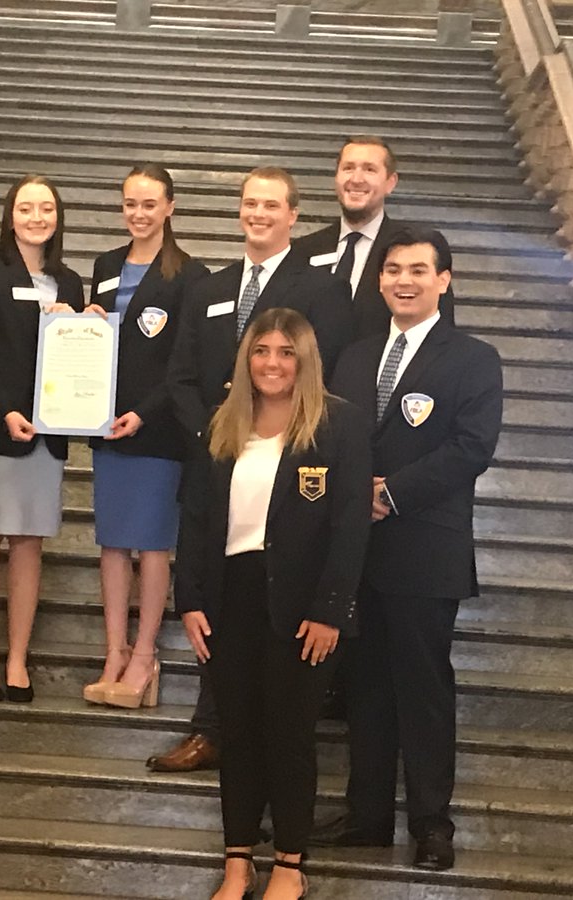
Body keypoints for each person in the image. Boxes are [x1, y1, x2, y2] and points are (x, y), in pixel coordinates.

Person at [151, 166, 354, 772]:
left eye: (272, 205)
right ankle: (209, 728)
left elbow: (327, 378)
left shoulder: (321, 290)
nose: (258, 214)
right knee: (216, 598)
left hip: (291, 472)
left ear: (294, 216)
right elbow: (180, 377)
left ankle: (250, 737)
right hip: (219, 466)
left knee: (265, 607)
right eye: (249, 204)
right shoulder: (208, 286)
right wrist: (219, 438)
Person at [322, 227, 503, 871]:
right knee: (365, 688)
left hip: (426, 550)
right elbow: (332, 435)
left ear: (443, 280)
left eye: (419, 270)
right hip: (356, 551)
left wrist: (390, 493)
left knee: (423, 688)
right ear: (380, 280)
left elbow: (471, 449)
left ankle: (431, 823)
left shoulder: (474, 358)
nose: (405, 279)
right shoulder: (354, 355)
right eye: (394, 268)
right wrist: (349, 496)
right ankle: (367, 815)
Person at [175, 308, 372, 900]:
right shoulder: (223, 424)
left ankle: (290, 862)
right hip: (229, 598)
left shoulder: (339, 425)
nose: (273, 363)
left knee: (289, 733)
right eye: (262, 351)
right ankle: (238, 862)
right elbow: (196, 518)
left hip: (304, 604)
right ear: (247, 359)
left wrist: (331, 608)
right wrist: (189, 600)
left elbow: (349, 527)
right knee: (236, 733)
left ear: (305, 360)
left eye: (287, 352)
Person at [81, 163, 208, 709]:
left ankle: (144, 655)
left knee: (153, 546)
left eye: (150, 204)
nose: (139, 213)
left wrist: (145, 412)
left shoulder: (191, 275)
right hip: (106, 425)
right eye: (130, 203)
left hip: (159, 432)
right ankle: (114, 649)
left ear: (170, 208)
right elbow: (98, 342)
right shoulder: (106, 265)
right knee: (112, 543)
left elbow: (185, 364)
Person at [0, 174, 85, 703]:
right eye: (27, 207)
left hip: (47, 434)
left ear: (58, 218)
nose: (37, 217)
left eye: (47, 208)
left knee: (30, 545)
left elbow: (81, 353)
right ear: (10, 215)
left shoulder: (71, 281)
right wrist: (4, 410)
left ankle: (16, 657)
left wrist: (88, 322)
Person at [291, 135, 454, 338]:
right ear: (336, 177)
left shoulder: (416, 251)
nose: (356, 179)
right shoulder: (303, 250)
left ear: (390, 183)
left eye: (369, 169)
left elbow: (441, 334)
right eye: (348, 168)